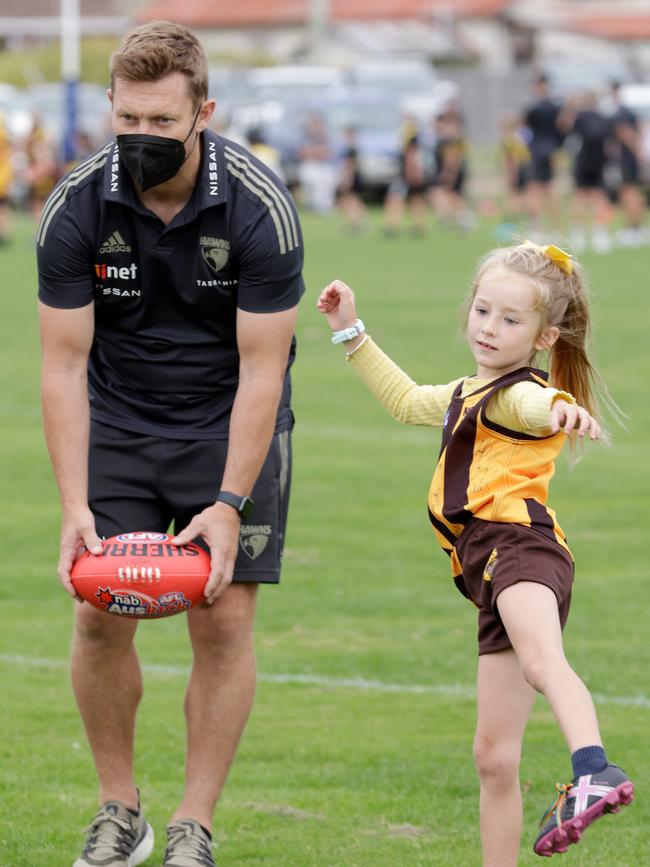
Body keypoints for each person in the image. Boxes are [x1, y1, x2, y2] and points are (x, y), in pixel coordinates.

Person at [37, 20, 304, 867]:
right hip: (118, 417)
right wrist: (75, 505)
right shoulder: (75, 204)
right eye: (128, 123)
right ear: (109, 110)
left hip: (228, 420)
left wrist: (228, 504)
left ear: (204, 111)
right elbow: (62, 362)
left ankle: (194, 823)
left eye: (161, 123)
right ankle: (121, 810)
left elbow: (264, 374)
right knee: (94, 613)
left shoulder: (260, 206)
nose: (142, 140)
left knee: (222, 622)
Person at [316, 241, 633, 865]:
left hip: (521, 550)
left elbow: (541, 406)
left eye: (510, 320)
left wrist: (564, 410)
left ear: (545, 339)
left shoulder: (521, 396)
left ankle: (594, 769)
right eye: (483, 310)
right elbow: (407, 401)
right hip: (486, 569)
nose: (489, 327)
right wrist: (350, 331)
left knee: (544, 663)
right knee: (493, 757)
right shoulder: (469, 391)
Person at [524, 74, 564, 230]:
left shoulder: (533, 109)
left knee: (535, 189)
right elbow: (562, 131)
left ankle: (537, 225)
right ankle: (554, 227)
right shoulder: (556, 108)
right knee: (548, 189)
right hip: (550, 150)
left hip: (537, 150)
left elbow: (526, 131)